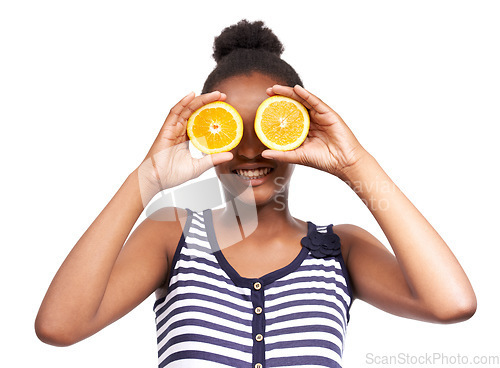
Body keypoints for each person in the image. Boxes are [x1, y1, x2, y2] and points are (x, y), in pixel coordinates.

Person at [35, 20, 477, 368]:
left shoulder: (341, 249)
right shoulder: (171, 236)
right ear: (203, 136)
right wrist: (147, 178)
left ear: (299, 129)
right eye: (230, 131)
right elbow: (59, 327)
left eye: (269, 128)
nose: (249, 150)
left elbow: (452, 304)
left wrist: (355, 163)